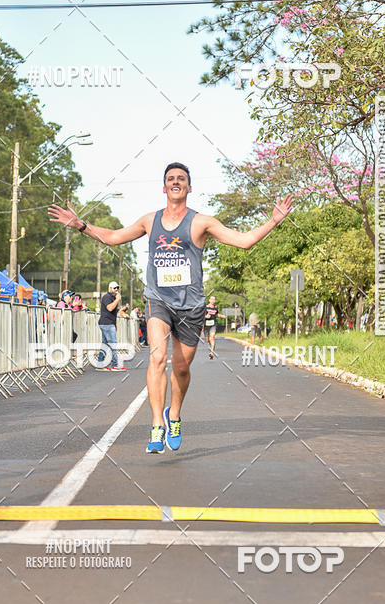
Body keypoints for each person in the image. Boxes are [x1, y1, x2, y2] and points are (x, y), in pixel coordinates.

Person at [49, 162, 293, 455]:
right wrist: (81, 225)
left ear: (189, 187)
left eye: (181, 179)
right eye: (170, 179)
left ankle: (173, 415)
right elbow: (114, 237)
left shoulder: (202, 222)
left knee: (181, 367)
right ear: (164, 187)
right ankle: (156, 424)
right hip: (158, 300)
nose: (176, 182)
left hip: (191, 305)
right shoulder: (149, 221)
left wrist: (274, 221)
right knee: (157, 357)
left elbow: (244, 242)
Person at [96, 281, 124, 371]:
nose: (116, 290)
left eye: (117, 288)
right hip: (106, 323)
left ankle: (100, 363)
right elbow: (110, 308)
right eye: (115, 288)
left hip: (108, 323)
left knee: (105, 344)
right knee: (113, 344)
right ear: (110, 288)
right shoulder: (107, 297)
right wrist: (117, 300)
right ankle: (115, 364)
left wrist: (115, 325)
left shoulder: (112, 298)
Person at [203, 295, 223, 359]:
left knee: (212, 337)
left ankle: (211, 352)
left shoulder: (216, 307)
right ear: (209, 300)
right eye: (211, 299)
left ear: (215, 301)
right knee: (207, 339)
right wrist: (206, 316)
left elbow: (216, 314)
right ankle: (211, 346)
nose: (212, 300)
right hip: (206, 325)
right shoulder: (205, 307)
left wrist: (221, 315)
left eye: (214, 299)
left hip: (213, 324)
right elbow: (201, 315)